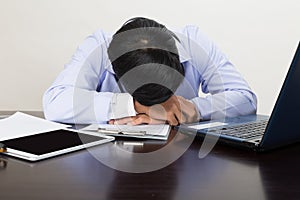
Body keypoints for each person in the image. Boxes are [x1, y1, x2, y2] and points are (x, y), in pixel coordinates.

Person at [43, 17, 257, 126]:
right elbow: (55, 102)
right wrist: (134, 106)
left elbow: (246, 99)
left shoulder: (193, 43)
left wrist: (193, 108)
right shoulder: (98, 48)